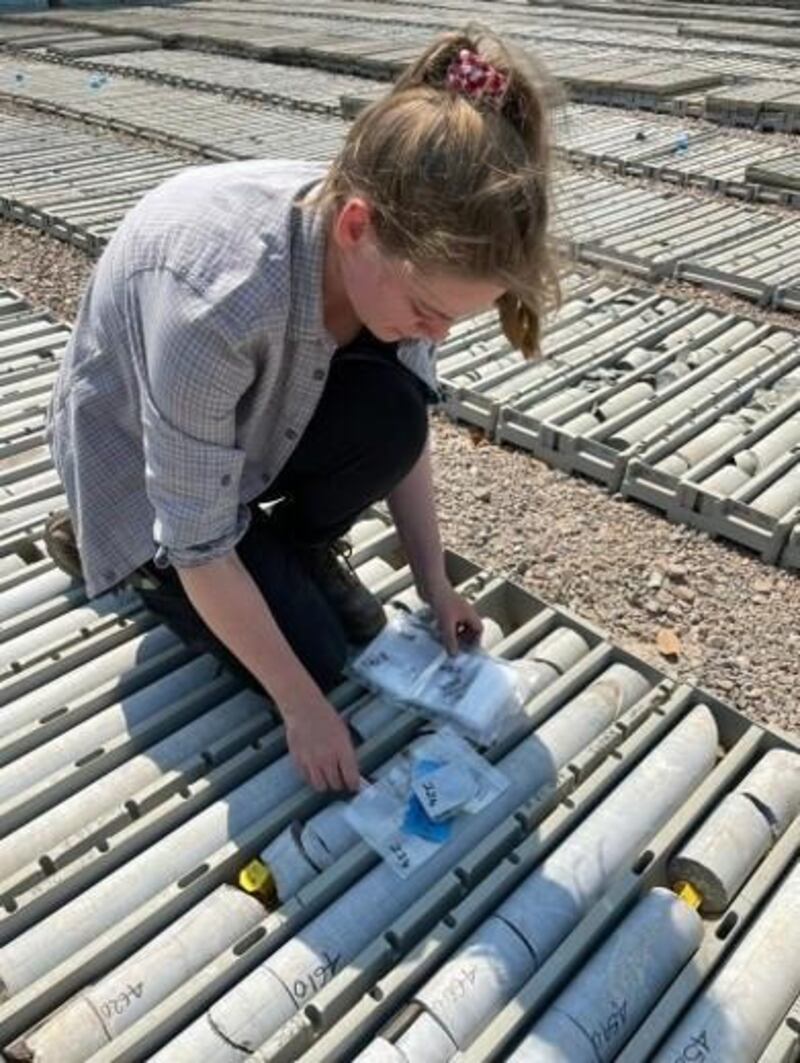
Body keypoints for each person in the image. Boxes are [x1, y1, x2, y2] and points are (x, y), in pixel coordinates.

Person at [44, 28, 559, 794]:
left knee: (394, 411)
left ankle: (292, 553)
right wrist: (299, 704)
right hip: (147, 481)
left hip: (250, 424)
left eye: (454, 319)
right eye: (427, 310)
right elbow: (198, 542)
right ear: (355, 228)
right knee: (316, 660)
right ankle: (103, 547)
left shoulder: (395, 239)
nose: (438, 333)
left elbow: (404, 433)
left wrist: (432, 582)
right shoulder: (210, 302)